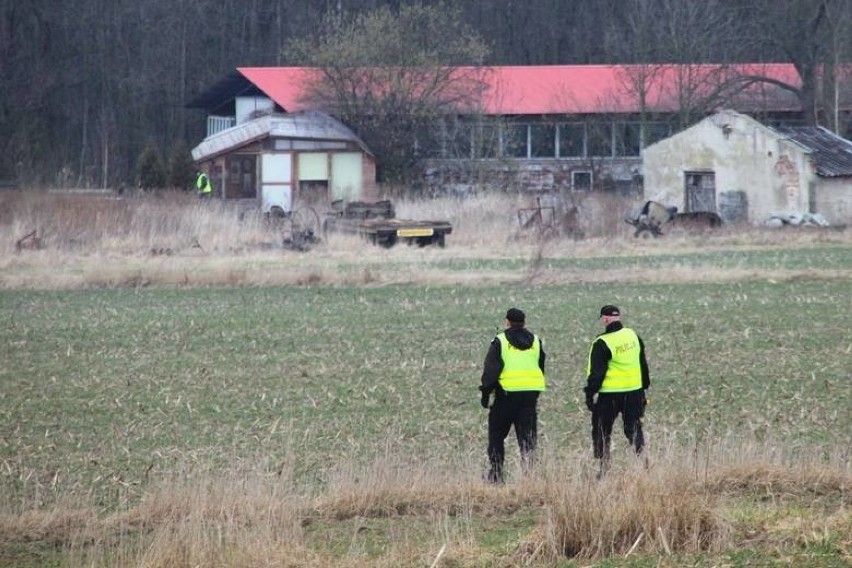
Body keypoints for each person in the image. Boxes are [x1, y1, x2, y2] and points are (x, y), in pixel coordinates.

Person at [479, 308, 547, 484]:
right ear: (524, 322)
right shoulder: (536, 342)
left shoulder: (500, 341)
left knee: (496, 436)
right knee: (528, 439)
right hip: (529, 398)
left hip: (506, 397)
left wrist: (486, 394)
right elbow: (540, 366)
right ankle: (529, 477)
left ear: (507, 322)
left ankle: (496, 474)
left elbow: (490, 371)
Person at [584, 305, 650, 476]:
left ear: (605, 319)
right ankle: (643, 465)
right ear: (619, 317)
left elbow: (597, 373)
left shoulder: (602, 342)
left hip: (610, 395)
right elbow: (643, 363)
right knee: (634, 428)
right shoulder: (633, 335)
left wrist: (589, 394)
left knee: (601, 429)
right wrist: (644, 388)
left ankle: (604, 468)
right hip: (634, 392)